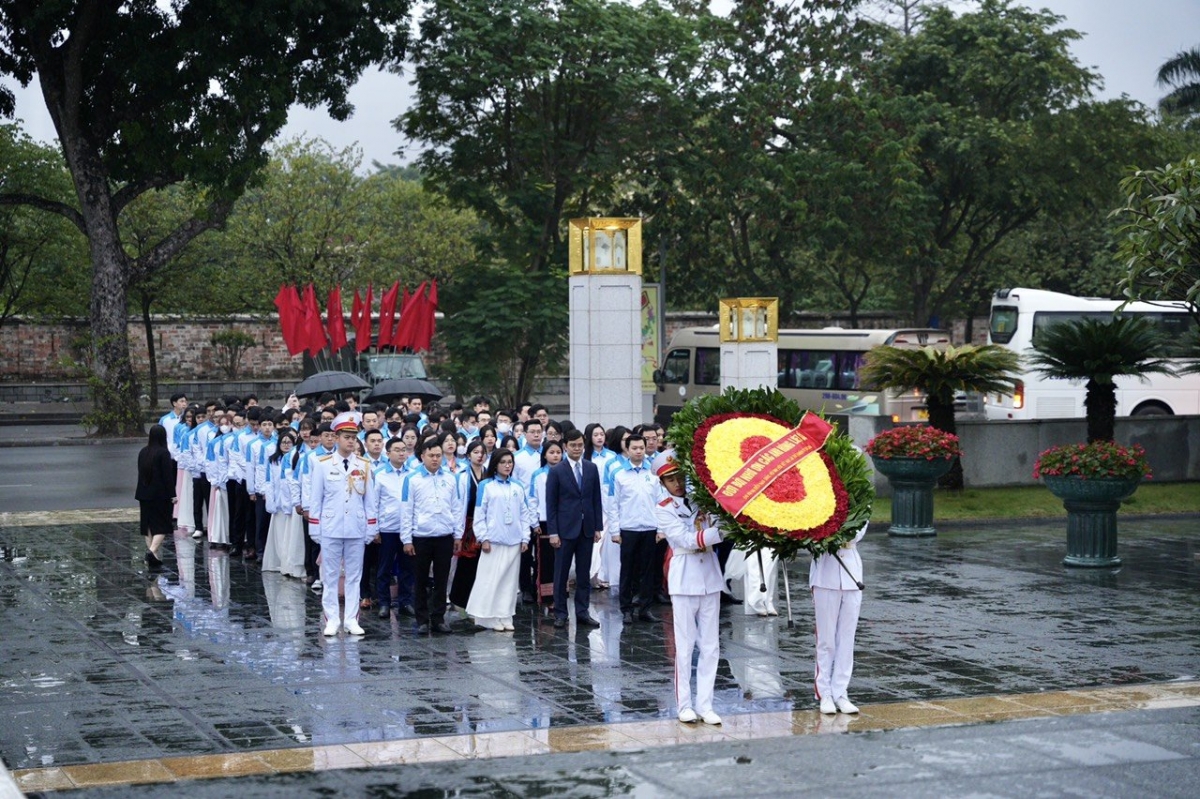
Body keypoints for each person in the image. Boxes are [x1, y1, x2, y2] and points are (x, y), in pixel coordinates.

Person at [653, 451, 724, 726]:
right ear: (663, 483)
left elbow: (718, 521)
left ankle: (705, 704)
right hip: (684, 578)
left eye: (680, 477)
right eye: (671, 479)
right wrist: (720, 533)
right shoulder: (663, 507)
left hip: (709, 575)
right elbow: (684, 539)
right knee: (684, 646)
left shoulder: (701, 500)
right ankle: (684, 704)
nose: (677, 483)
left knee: (711, 645)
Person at [307, 412, 378, 637]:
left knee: (354, 576)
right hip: (331, 526)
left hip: (356, 527)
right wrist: (315, 527)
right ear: (336, 438)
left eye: (353, 437)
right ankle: (332, 619)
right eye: (346, 436)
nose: (350, 441)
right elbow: (315, 498)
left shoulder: (364, 465)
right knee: (329, 575)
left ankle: (351, 619)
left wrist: (371, 527)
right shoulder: (323, 464)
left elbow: (370, 500)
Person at [400, 437, 465, 635]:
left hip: (444, 535)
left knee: (441, 578)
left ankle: (438, 618)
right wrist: (407, 539)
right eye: (431, 456)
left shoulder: (450, 478)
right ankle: (421, 619)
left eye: (438, 455)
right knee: (420, 579)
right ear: (422, 456)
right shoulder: (412, 479)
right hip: (421, 535)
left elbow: (457, 507)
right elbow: (406, 510)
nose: (435, 459)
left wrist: (458, 535)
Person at [467, 450, 535, 631]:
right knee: (491, 579)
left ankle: (505, 614)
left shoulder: (518, 486)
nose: (507, 465)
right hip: (493, 540)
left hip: (514, 540)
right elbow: (479, 514)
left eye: (510, 462)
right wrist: (483, 537)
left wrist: (525, 538)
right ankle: (487, 616)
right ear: (495, 464)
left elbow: (524, 514)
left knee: (510, 582)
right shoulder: (486, 485)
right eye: (503, 462)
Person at [545, 428, 604, 629]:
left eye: (580, 445)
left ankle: (582, 612)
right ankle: (561, 613)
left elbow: (596, 499)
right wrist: (553, 532)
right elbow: (550, 504)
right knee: (561, 573)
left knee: (583, 573)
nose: (577, 448)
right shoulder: (556, 471)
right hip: (564, 530)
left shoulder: (591, 468)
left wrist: (598, 527)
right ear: (565, 447)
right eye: (573, 445)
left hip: (586, 528)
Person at [811, 523, 868, 715]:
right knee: (826, 640)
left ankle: (840, 692)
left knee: (847, 639)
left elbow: (857, 532)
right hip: (825, 573)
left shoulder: (859, 498)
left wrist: (835, 531)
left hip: (852, 575)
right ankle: (824, 692)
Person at [606, 434, 660, 624]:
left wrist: (660, 528)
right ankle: (626, 609)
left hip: (649, 527)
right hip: (628, 528)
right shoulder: (618, 474)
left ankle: (645, 608)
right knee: (627, 571)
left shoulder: (653, 474)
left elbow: (660, 502)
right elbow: (613, 505)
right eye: (635, 448)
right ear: (627, 450)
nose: (639, 451)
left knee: (648, 571)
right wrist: (615, 531)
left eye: (641, 448)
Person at [136, 424, 176, 568]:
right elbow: (168, 476)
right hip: (160, 494)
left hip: (143, 493)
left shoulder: (143, 452)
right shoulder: (163, 453)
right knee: (163, 525)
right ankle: (152, 551)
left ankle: (153, 555)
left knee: (148, 525)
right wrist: (173, 494)